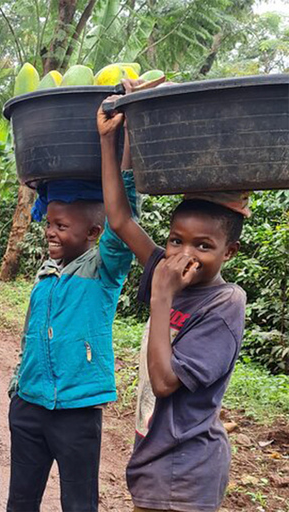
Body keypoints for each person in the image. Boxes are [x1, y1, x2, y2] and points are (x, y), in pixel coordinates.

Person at [98, 82, 248, 512]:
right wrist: (110, 139)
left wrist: (162, 297)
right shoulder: (165, 268)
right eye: (175, 240)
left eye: (203, 245)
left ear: (228, 252)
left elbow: (165, 383)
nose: (184, 255)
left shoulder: (224, 305)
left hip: (188, 471)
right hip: (154, 459)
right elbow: (120, 218)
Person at [6, 142, 139, 510]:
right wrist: (19, 385)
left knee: (79, 504)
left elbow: (124, 219)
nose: (50, 232)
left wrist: (120, 146)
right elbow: (29, 335)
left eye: (61, 226)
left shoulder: (104, 270)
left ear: (94, 232)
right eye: (49, 223)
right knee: (20, 501)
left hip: (77, 413)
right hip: (29, 405)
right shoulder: (46, 274)